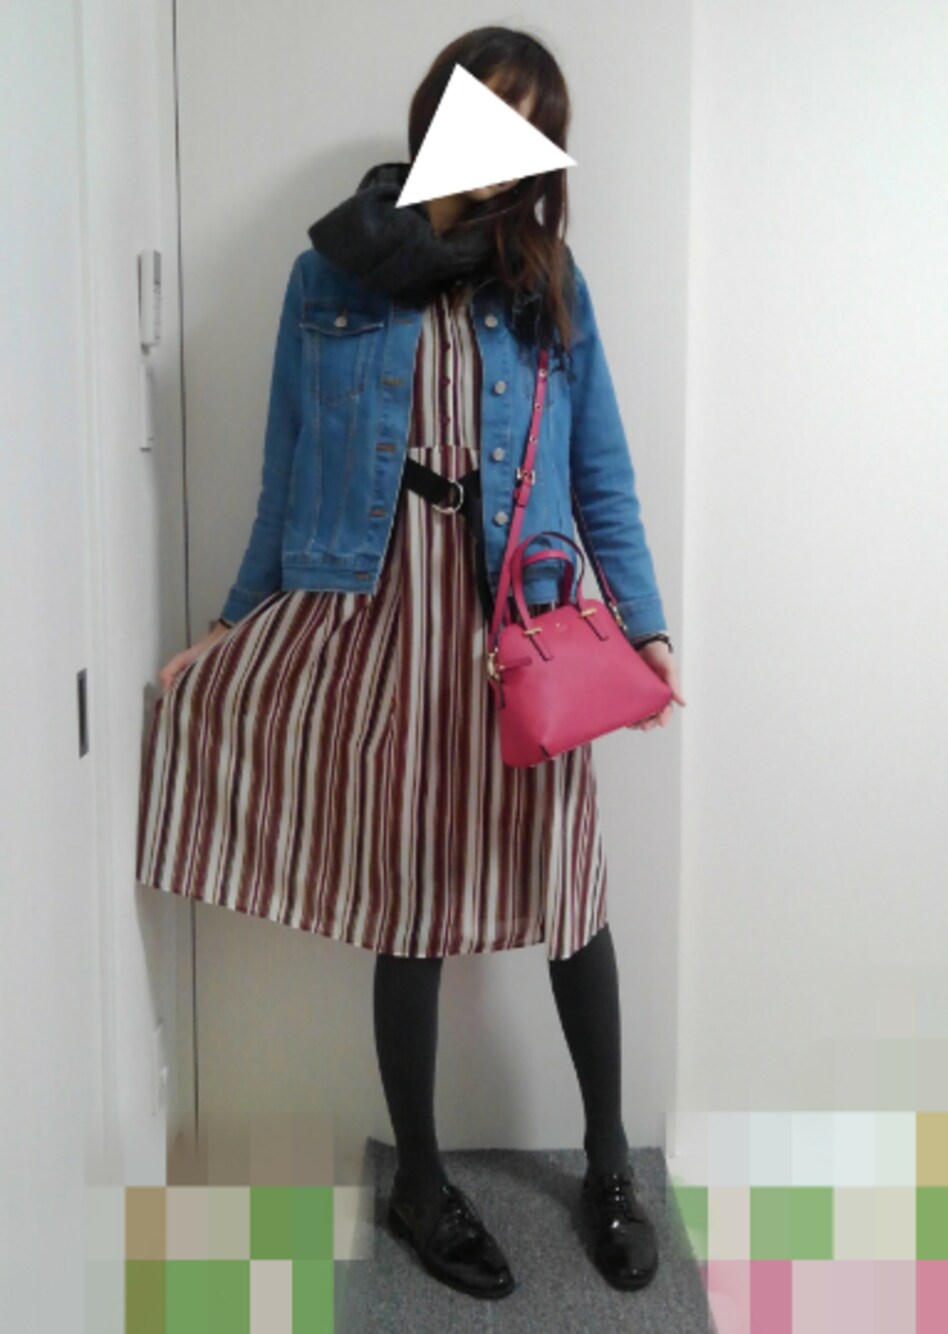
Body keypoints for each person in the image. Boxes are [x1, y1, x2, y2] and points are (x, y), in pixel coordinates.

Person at [136, 24, 686, 1303]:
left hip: (514, 625)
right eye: (493, 111)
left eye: (532, 125)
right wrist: (235, 620)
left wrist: (645, 625)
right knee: (412, 902)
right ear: (439, 109)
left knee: (568, 892)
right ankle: (421, 1177)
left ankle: (608, 1160)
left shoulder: (546, 281)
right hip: (381, 617)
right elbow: (285, 470)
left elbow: (599, 468)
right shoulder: (328, 275)